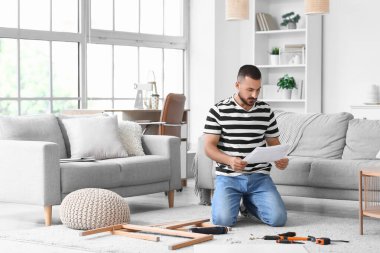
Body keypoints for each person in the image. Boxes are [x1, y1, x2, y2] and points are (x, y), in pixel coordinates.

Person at [203, 65, 289, 227]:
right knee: (223, 221)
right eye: (250, 90)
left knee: (278, 219)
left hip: (259, 178)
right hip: (228, 178)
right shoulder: (218, 110)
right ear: (237, 85)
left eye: (258, 90)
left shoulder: (266, 111)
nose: (254, 95)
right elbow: (209, 148)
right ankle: (234, 202)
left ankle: (248, 205)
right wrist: (229, 160)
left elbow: (274, 144)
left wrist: (281, 159)